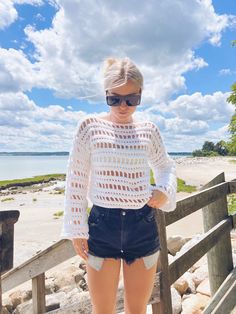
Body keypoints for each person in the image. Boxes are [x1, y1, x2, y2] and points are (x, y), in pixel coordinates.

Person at [60, 57, 177, 314]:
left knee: (137, 309)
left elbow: (166, 166)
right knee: (103, 310)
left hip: (142, 225)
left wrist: (163, 190)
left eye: (131, 99)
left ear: (140, 95)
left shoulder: (149, 130)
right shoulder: (89, 127)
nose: (123, 106)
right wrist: (76, 228)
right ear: (105, 94)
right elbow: (76, 180)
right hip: (102, 226)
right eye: (115, 99)